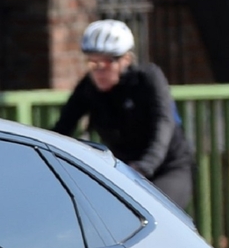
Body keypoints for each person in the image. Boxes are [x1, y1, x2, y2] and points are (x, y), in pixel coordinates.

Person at [53, 19, 196, 212]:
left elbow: (164, 121)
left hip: (167, 166)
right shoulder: (88, 88)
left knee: (157, 212)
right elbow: (62, 129)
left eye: (107, 62)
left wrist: (147, 164)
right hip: (125, 170)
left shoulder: (147, 79)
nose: (99, 70)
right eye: (93, 63)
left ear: (126, 60)